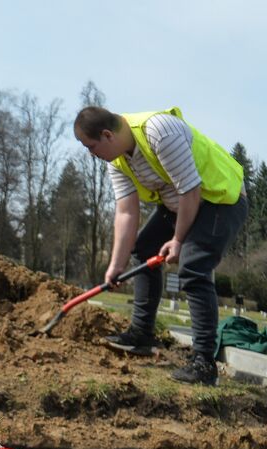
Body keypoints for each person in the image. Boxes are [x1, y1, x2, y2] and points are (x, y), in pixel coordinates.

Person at [74, 106, 247, 385]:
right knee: (144, 249)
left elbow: (190, 189)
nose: (90, 154)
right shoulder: (117, 160)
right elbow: (127, 212)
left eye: (91, 146)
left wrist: (178, 241)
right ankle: (142, 335)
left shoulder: (159, 132)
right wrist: (115, 266)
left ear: (107, 135)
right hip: (180, 204)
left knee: (193, 266)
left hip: (220, 200)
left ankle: (204, 363)